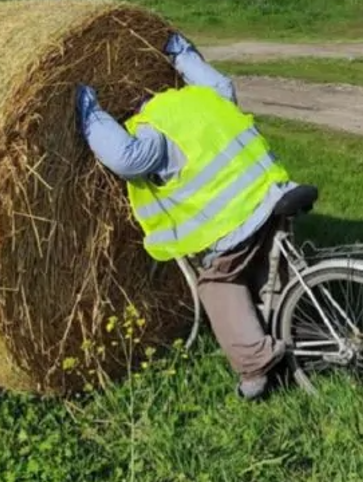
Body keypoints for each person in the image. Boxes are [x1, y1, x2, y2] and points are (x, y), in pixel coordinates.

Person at [75, 32, 301, 400]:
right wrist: (179, 53)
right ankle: (299, 326)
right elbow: (220, 80)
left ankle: (255, 367)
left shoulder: (155, 131)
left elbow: (124, 158)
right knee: (266, 263)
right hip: (273, 192)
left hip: (236, 218)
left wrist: (89, 112)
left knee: (217, 282)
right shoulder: (205, 98)